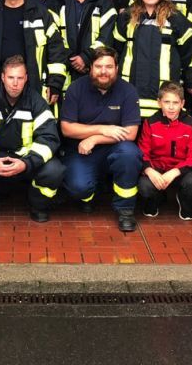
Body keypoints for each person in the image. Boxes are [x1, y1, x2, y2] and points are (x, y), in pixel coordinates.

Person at [0, 56, 65, 222]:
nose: (15, 83)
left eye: (20, 78)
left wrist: (27, 163)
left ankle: (38, 206)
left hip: (26, 160)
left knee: (54, 170)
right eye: (10, 77)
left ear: (26, 78)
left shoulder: (36, 102)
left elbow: (49, 138)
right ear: (2, 77)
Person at [60, 47, 144, 232]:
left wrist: (96, 138)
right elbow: (66, 128)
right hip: (82, 152)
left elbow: (130, 133)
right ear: (90, 68)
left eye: (109, 66)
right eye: (98, 66)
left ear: (117, 68)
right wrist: (102, 129)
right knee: (78, 187)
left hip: (115, 150)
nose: (103, 71)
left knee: (129, 154)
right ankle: (90, 193)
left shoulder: (128, 91)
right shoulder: (76, 88)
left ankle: (125, 210)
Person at [113, 0, 192, 117]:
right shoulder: (126, 17)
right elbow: (116, 50)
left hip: (164, 90)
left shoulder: (175, 18)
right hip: (131, 86)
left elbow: (188, 52)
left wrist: (190, 79)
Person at [137, 81, 192, 220]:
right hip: (157, 170)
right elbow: (142, 152)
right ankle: (156, 198)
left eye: (176, 102)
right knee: (145, 186)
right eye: (167, 102)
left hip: (180, 171)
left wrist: (175, 171)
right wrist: (149, 171)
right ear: (159, 102)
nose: (171, 107)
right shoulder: (150, 123)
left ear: (182, 103)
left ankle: (184, 199)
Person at [56, 0, 116, 83]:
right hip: (67, 71)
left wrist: (85, 57)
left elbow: (106, 37)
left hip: (96, 70)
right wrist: (72, 59)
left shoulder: (105, 4)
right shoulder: (58, 3)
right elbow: (55, 38)